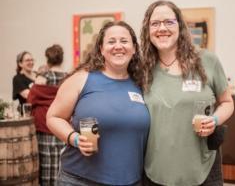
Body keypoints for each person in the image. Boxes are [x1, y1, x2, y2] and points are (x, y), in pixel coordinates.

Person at [140, 0, 234, 185]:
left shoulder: (207, 60)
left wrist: (214, 120)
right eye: (155, 23)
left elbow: (227, 103)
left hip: (202, 168)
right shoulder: (141, 68)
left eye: (169, 22)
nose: (162, 28)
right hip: (156, 171)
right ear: (147, 30)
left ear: (180, 26)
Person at [46, 21, 150, 186]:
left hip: (131, 181)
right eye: (111, 41)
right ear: (101, 49)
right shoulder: (82, 79)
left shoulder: (142, 85)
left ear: (134, 48)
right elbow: (53, 117)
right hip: (80, 180)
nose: (118, 46)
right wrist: (75, 139)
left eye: (124, 41)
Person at [27, 44, 67, 186]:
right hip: (63, 126)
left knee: (45, 167)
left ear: (47, 59)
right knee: (61, 164)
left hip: (44, 126)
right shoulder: (68, 78)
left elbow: (31, 99)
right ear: (62, 59)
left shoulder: (43, 77)